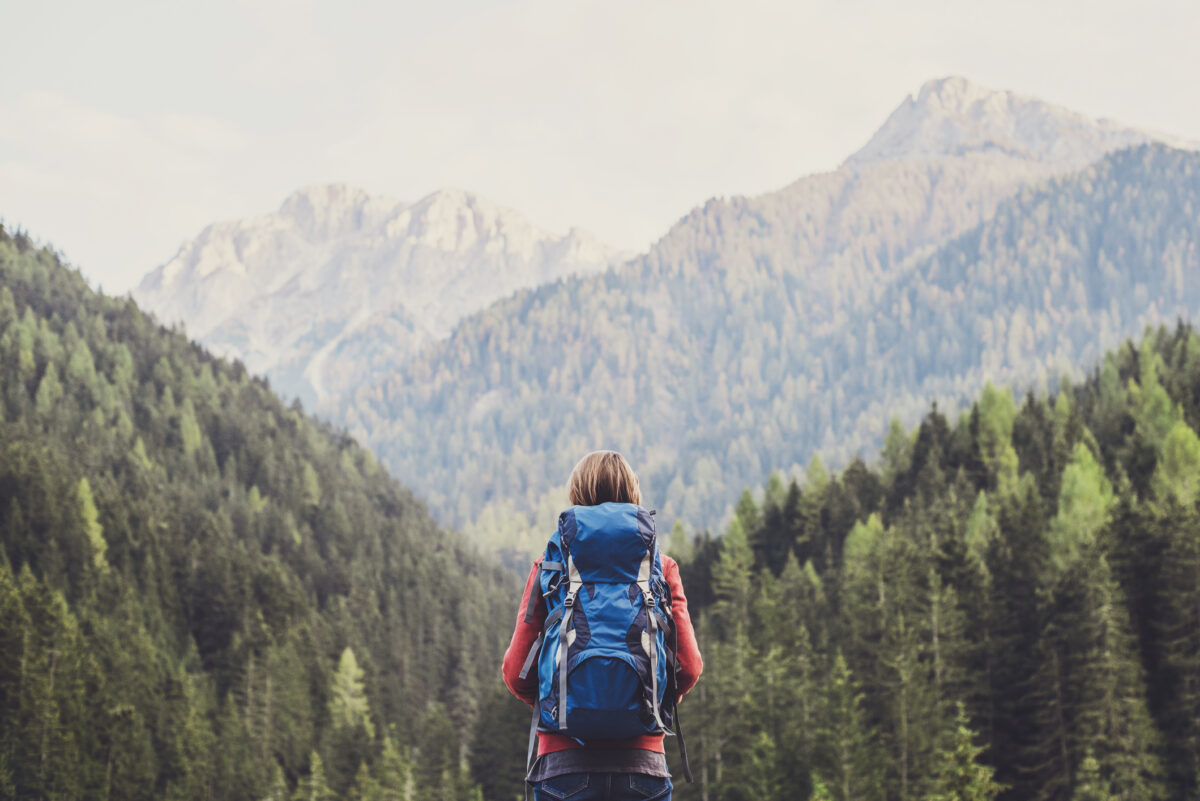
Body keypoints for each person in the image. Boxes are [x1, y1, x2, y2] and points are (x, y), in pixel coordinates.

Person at [502, 450, 703, 801]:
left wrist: (564, 704)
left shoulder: (550, 567)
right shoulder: (661, 568)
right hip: (643, 768)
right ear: (633, 493)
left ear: (576, 494)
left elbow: (515, 672)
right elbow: (689, 667)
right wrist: (646, 702)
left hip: (563, 767)